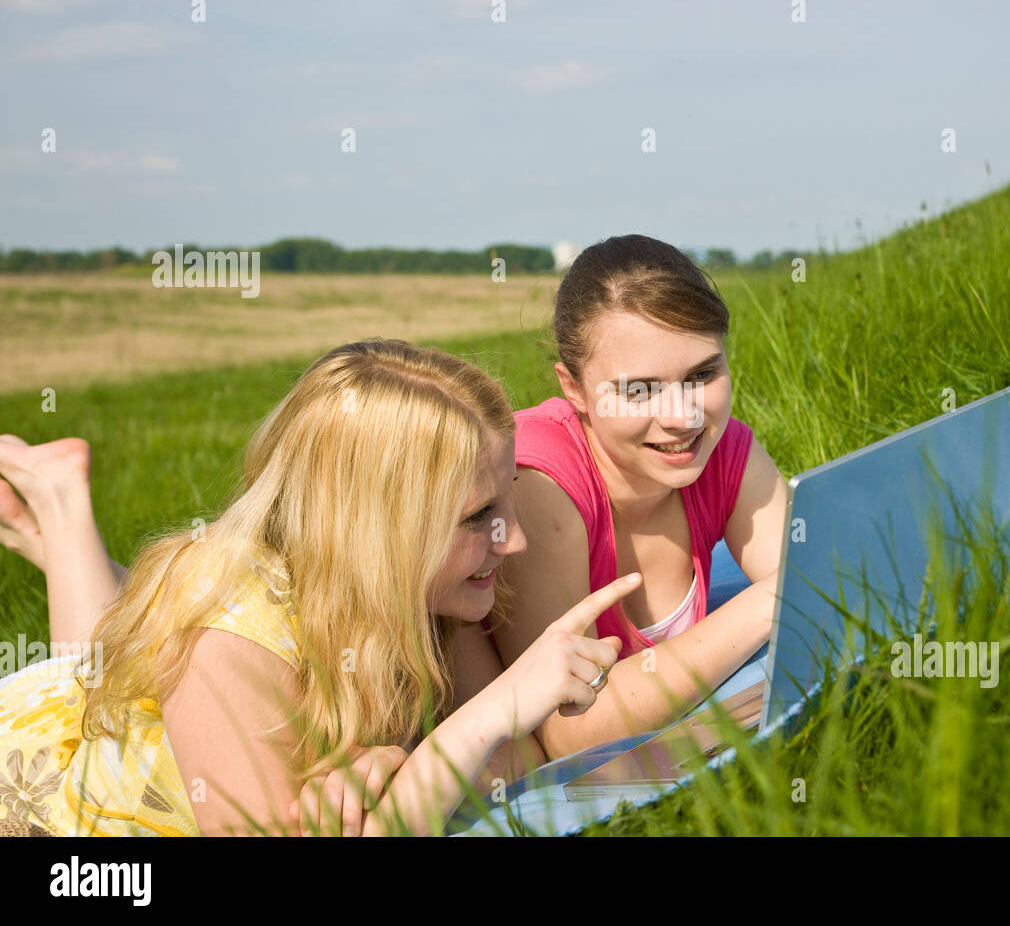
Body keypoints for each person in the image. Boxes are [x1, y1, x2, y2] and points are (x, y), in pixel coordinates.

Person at [0, 339, 635, 836]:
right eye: (477, 517)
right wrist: (475, 727)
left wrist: (406, 773)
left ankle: (60, 514)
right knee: (102, 669)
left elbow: (517, 761)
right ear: (374, 532)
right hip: (45, 812)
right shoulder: (225, 641)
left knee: (106, 661)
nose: (515, 540)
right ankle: (61, 513)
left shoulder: (440, 597)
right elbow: (484, 743)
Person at [494, 235, 789, 759]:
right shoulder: (537, 484)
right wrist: (769, 604)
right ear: (575, 388)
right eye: (640, 389)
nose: (684, 416)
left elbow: (829, 591)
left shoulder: (723, 451)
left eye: (702, 374)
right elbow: (564, 730)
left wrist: (791, 588)